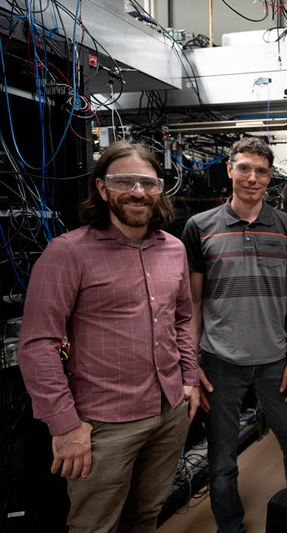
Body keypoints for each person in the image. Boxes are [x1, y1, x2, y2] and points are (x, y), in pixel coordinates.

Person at [17, 141, 201, 533]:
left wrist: (189, 379)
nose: (138, 192)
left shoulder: (174, 249)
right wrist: (65, 426)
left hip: (169, 414)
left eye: (148, 183)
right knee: (95, 526)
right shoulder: (67, 252)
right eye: (124, 182)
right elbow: (38, 345)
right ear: (102, 188)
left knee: (147, 516)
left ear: (160, 189)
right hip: (103, 424)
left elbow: (182, 319)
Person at [181, 136, 287, 533]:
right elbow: (193, 305)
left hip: (276, 362)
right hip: (219, 365)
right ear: (229, 169)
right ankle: (230, 527)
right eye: (244, 168)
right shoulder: (199, 227)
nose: (252, 178)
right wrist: (191, 368)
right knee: (221, 461)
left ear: (270, 177)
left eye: (261, 171)